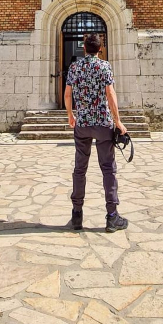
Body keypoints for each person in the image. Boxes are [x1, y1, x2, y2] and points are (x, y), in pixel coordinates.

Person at [65, 32, 128, 233]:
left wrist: (70, 116)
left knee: (79, 169)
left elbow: (67, 94)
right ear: (100, 48)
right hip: (102, 123)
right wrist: (117, 121)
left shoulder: (75, 66)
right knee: (108, 168)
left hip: (82, 123)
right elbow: (110, 93)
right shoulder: (104, 66)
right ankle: (112, 216)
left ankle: (76, 214)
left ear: (84, 47)